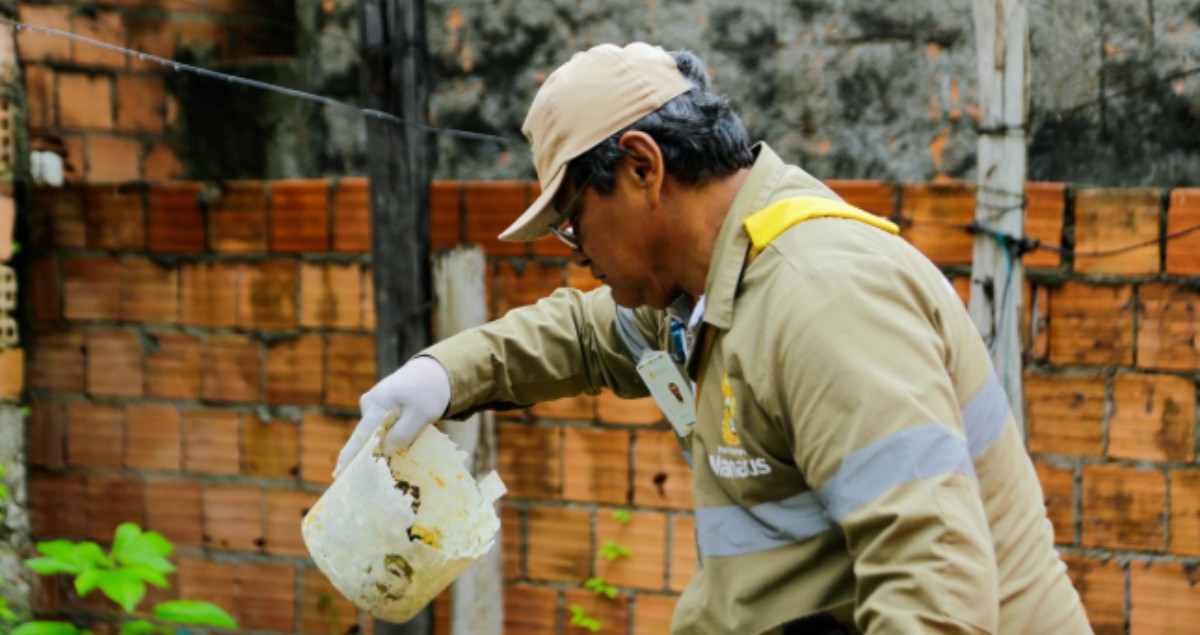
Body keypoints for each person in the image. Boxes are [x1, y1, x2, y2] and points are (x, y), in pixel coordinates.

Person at [336, 43, 1092, 635]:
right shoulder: (711, 287)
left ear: (643, 167)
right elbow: (584, 333)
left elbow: (932, 582)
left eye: (572, 220)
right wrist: (440, 376)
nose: (577, 251)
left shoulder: (820, 300)